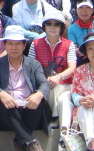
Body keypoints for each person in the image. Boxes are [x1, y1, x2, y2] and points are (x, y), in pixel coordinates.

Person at [0, 25, 50, 151]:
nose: (14, 47)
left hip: (28, 108)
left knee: (39, 101)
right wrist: (2, 94)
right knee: (3, 102)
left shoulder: (34, 64)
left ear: (24, 45)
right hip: (8, 111)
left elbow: (44, 84)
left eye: (18, 44)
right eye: (10, 44)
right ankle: (31, 142)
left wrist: (38, 95)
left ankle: (20, 142)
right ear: (4, 45)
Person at [29, 10, 76, 142]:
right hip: (43, 83)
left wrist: (58, 77)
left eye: (56, 24)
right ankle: (56, 119)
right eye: (49, 24)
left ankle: (55, 117)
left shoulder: (69, 44)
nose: (52, 27)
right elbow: (31, 67)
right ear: (44, 27)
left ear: (61, 27)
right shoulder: (35, 44)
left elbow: (72, 68)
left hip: (65, 84)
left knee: (57, 90)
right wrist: (44, 80)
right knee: (50, 86)